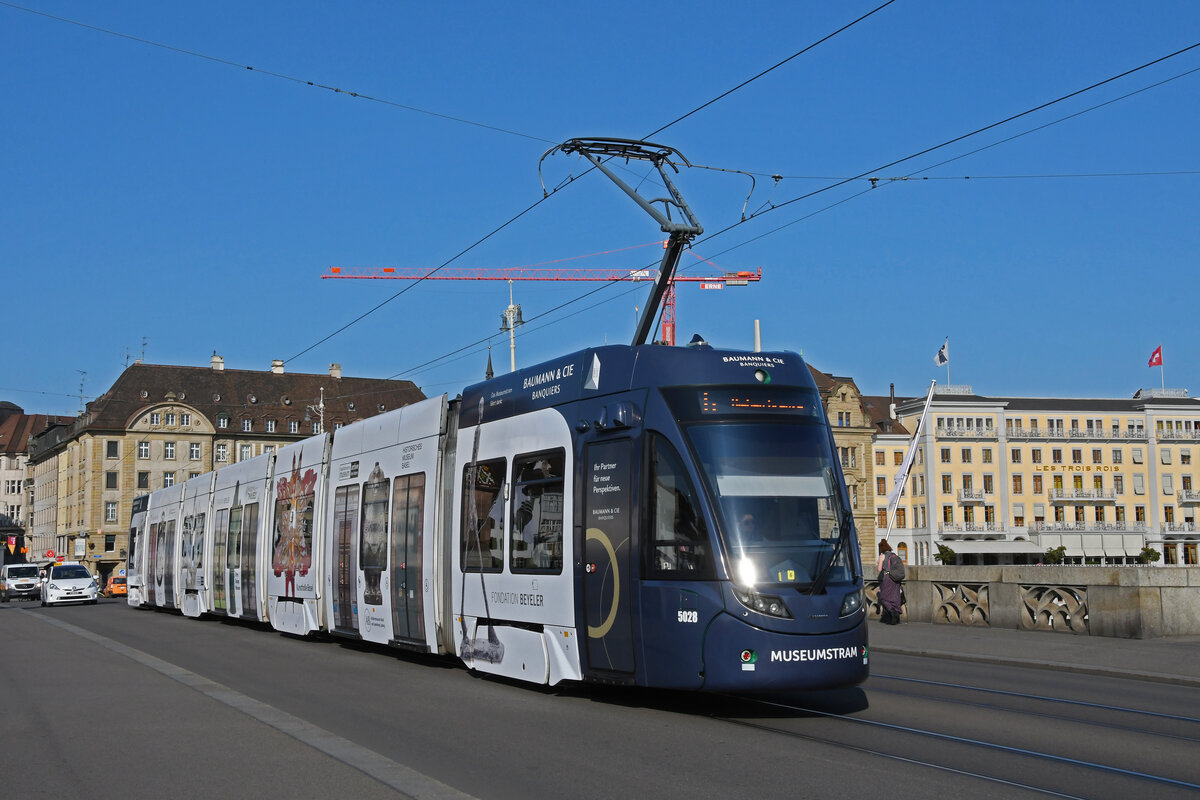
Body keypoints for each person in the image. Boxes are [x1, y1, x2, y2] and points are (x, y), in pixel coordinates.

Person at [876, 539, 904, 625]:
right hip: (896, 579)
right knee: (895, 597)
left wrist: (879, 561)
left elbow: (879, 569)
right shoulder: (893, 555)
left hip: (888, 578)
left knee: (884, 597)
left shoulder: (882, 556)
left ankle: (893, 613)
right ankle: (895, 618)